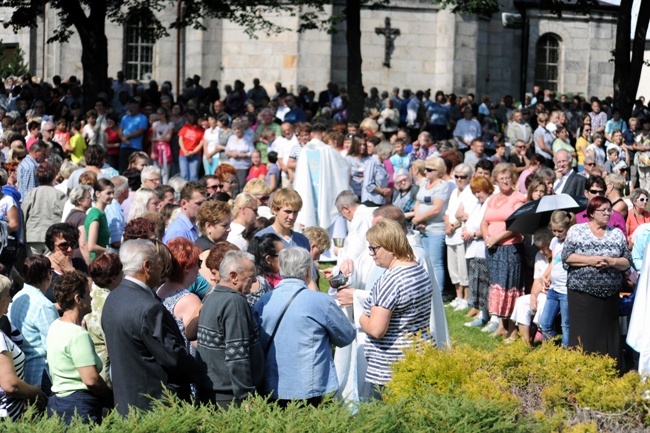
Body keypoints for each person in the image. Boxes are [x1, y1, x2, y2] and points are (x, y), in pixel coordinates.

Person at [101, 239, 198, 416]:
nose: (162, 268)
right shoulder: (149, 307)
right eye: (159, 262)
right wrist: (202, 371)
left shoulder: (113, 298)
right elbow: (173, 358)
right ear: (147, 266)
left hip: (126, 404)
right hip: (155, 406)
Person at [253, 247, 355, 406]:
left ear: (280, 269)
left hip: (272, 386)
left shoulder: (263, 301)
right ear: (308, 270)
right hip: (312, 386)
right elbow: (346, 336)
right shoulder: (321, 302)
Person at [359, 219, 432, 390]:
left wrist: (362, 316)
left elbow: (377, 330)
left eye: (374, 248)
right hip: (418, 354)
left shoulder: (391, 280)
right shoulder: (417, 268)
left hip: (391, 367)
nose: (371, 253)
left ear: (390, 247)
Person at [562, 196, 632, 364]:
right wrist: (592, 260)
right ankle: (581, 368)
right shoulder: (576, 231)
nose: (608, 213)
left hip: (609, 294)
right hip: (581, 293)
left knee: (607, 333)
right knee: (584, 333)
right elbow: (567, 257)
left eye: (610, 210)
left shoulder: (616, 234)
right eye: (603, 210)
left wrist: (612, 261)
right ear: (592, 213)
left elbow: (627, 262)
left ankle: (610, 368)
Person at [196, 250, 264, 407]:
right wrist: (246, 396)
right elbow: (237, 354)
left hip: (212, 392)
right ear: (233, 276)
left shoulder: (212, 297)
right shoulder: (234, 303)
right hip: (231, 397)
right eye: (250, 276)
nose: (254, 281)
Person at [46, 271, 112, 424]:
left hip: (57, 403)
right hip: (79, 406)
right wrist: (111, 397)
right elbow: (91, 379)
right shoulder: (78, 334)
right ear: (78, 299)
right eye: (88, 294)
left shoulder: (55, 325)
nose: (91, 298)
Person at [481, 163, 526, 337]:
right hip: (492, 248)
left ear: (513, 179)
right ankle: (501, 325)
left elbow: (516, 225)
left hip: (510, 249)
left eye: (508, 177)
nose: (505, 181)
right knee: (498, 287)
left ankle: (513, 330)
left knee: (510, 288)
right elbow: (484, 221)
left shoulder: (518, 197)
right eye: (501, 178)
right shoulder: (492, 198)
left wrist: (495, 239)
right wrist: (487, 238)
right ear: (496, 181)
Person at [0, 275, 47, 421]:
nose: (11, 299)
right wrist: (34, 392)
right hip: (5, 416)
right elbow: (10, 384)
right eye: (8, 295)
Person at [8, 255, 58, 390]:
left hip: (22, 372)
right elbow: (53, 347)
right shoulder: (44, 305)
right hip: (41, 375)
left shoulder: (18, 297)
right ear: (48, 274)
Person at [84, 253, 124, 387]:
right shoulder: (110, 302)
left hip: (90, 364)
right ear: (113, 277)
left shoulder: (91, 294)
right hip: (106, 371)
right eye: (121, 272)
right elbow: (111, 345)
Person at [412, 157, 449, 293]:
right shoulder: (424, 184)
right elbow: (418, 202)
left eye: (429, 170)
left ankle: (438, 292)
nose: (426, 172)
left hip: (435, 229)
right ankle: (427, 291)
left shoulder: (442, 186)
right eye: (425, 169)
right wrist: (418, 218)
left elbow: (437, 208)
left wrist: (419, 219)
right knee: (425, 262)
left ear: (437, 171)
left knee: (436, 263)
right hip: (423, 228)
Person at [461, 176, 495, 327]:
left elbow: (487, 226)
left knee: (485, 284)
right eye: (475, 192)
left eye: (479, 191)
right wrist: (465, 230)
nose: (477, 195)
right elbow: (470, 222)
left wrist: (473, 234)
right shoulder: (478, 204)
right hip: (473, 249)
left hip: (482, 249)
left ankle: (490, 317)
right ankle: (483, 314)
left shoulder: (490, 203)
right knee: (477, 284)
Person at [538, 211, 575, 347]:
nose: (557, 234)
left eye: (560, 231)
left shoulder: (572, 242)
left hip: (566, 290)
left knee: (566, 325)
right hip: (554, 289)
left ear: (568, 227)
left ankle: (566, 353)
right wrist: (545, 275)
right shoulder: (554, 241)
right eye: (554, 230)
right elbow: (554, 261)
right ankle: (550, 349)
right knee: (545, 322)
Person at [444, 163, 473, 311]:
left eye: (463, 177)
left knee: (463, 268)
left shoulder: (470, 193)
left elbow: (465, 215)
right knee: (453, 268)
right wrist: (447, 226)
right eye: (457, 176)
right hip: (450, 236)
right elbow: (448, 212)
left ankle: (466, 298)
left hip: (461, 235)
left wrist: (453, 226)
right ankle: (458, 296)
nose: (459, 179)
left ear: (469, 177)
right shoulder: (454, 191)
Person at [23, 162, 67, 255]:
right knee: (50, 266)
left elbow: (23, 214)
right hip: (53, 236)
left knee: (34, 266)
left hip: (33, 236)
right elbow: (65, 216)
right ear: (53, 176)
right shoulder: (59, 194)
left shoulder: (31, 193)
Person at [85, 178, 114, 261]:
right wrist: (110, 251)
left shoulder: (101, 213)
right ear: (97, 193)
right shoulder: (96, 214)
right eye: (108, 193)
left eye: (113, 192)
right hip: (97, 261)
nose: (112, 196)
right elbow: (91, 246)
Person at [65, 185, 93, 263]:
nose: (92, 200)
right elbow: (83, 244)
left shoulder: (70, 215)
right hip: (80, 258)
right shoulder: (82, 217)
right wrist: (89, 264)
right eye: (88, 198)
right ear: (79, 200)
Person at [177, 109, 204, 181]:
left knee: (194, 175)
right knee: (184, 175)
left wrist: (193, 152)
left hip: (195, 154)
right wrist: (184, 150)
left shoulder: (201, 131)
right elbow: (180, 139)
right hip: (183, 154)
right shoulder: (186, 127)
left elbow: (201, 143)